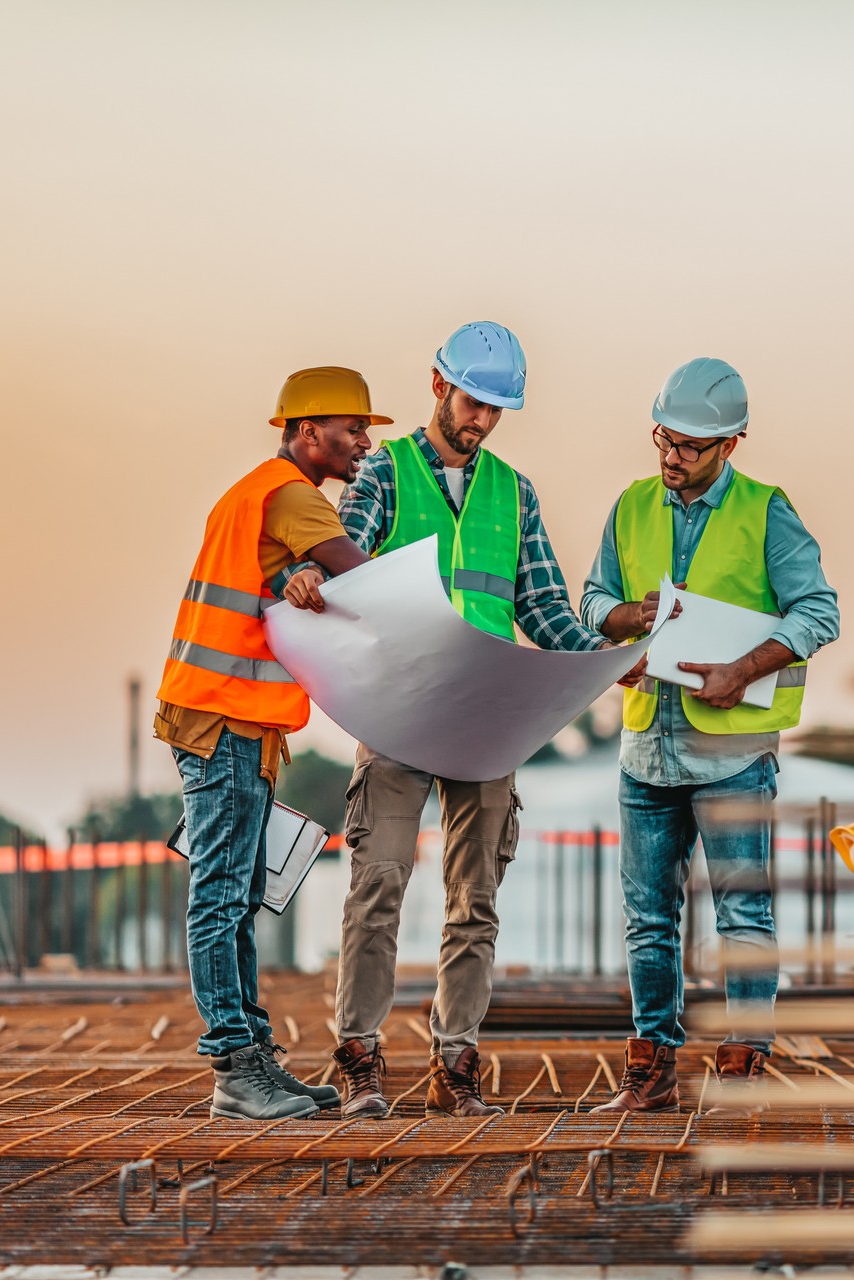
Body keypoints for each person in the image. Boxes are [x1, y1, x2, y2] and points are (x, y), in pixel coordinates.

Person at [288, 322, 640, 1119]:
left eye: (495, 411)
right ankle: (360, 1058)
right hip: (398, 707)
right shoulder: (384, 471)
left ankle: (457, 1065)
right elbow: (350, 550)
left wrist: (601, 659)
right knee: (376, 883)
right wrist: (309, 573)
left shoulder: (514, 493)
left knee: (474, 898)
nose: (480, 421)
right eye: (473, 402)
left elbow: (544, 605)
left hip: (484, 719)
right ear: (440, 385)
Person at [580, 357, 839, 1115]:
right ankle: (651, 1069)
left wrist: (744, 668)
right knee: (648, 920)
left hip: (732, 754)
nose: (671, 456)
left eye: (691, 444)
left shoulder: (766, 511)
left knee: (742, 916)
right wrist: (631, 624)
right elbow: (593, 598)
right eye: (664, 437)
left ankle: (740, 1072)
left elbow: (817, 612)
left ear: (732, 444)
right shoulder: (631, 506)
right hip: (645, 747)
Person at [156, 366, 388, 1120]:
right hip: (222, 718)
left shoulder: (256, 492)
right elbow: (364, 581)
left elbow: (282, 581)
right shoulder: (291, 494)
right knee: (221, 896)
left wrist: (296, 576)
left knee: (237, 895)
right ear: (309, 430)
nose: (362, 445)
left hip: (228, 720)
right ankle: (234, 1068)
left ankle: (255, 1063)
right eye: (353, 430)